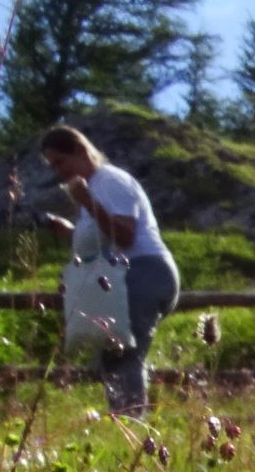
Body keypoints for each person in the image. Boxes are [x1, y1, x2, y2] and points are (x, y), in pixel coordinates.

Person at [38, 125, 179, 416]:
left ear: (80, 150)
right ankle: (128, 423)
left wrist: (87, 201)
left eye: (61, 162)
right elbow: (105, 236)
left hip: (145, 272)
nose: (59, 172)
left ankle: (131, 425)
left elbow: (125, 236)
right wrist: (70, 231)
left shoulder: (109, 181)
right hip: (131, 275)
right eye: (54, 166)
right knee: (114, 353)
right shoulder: (96, 188)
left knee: (124, 353)